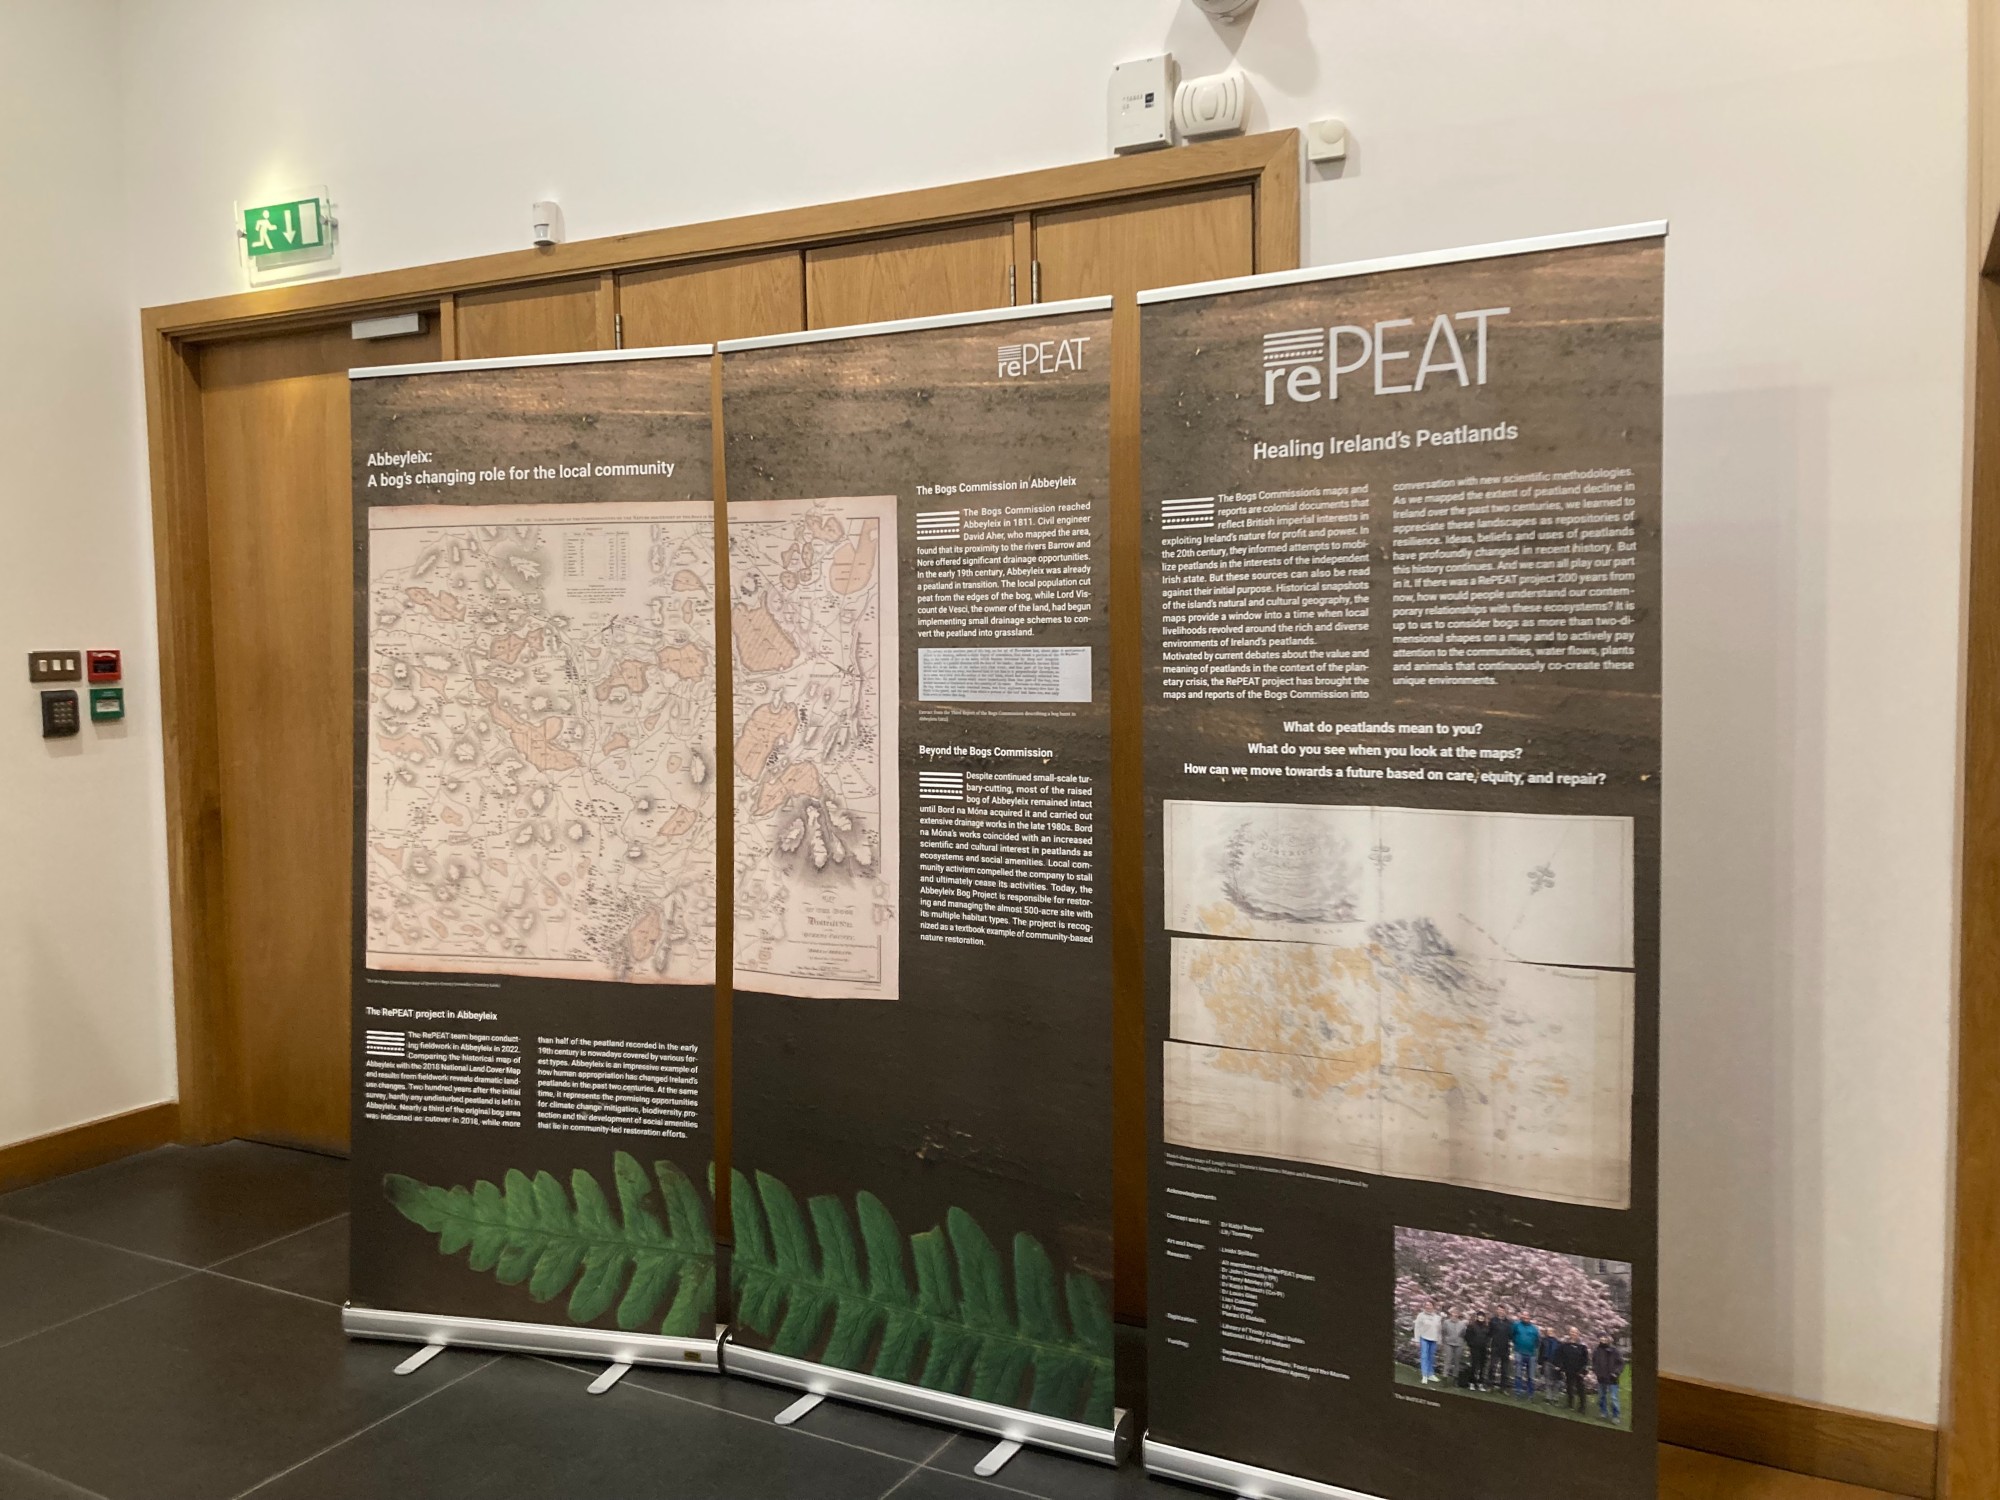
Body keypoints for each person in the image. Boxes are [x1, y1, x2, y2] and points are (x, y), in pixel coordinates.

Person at [1592, 1334, 1626, 1422]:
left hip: (1612, 1378)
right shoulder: (1597, 1351)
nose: (1603, 1339)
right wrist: (1596, 1371)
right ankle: (1603, 1413)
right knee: (1602, 1396)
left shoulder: (1614, 1351)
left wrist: (1616, 1373)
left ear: (1608, 1340)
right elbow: (1594, 1362)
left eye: (1605, 1338)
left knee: (1614, 1398)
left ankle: (1615, 1416)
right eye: (1601, 1338)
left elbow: (1621, 1363)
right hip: (1601, 1378)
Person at [1558, 1326, 1590, 1413]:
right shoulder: (1565, 1345)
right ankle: (1570, 1404)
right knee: (1569, 1387)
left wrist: (1583, 1370)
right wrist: (1562, 1367)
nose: (1573, 1333)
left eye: (1575, 1332)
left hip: (1579, 1371)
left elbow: (1586, 1360)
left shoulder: (1582, 1346)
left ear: (1578, 1334)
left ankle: (1582, 1407)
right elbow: (1561, 1357)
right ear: (1569, 1333)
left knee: (1580, 1389)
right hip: (1569, 1370)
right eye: (1572, 1332)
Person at [1512, 1313, 1541, 1398]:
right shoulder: (1516, 1325)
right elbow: (1512, 1335)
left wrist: (1533, 1348)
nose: (1526, 1317)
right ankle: (1518, 1392)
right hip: (1519, 1352)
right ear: (1522, 1317)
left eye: (1527, 1316)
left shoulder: (1534, 1329)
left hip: (1531, 1354)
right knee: (1518, 1373)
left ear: (1530, 1317)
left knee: (1531, 1375)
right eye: (1524, 1316)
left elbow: (1537, 1341)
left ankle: (1530, 1394)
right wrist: (1517, 1344)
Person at [1413, 1302, 1443, 1383]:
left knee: (1431, 1357)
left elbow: (1439, 1330)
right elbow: (1417, 1327)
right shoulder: (1421, 1315)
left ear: (1433, 1306)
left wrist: (1439, 1340)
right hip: (1424, 1338)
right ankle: (1424, 1375)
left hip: (1433, 1339)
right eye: (1426, 1305)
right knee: (1424, 1356)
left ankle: (1430, 1374)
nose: (1427, 1307)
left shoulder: (1437, 1317)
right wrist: (1416, 1340)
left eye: (1429, 1305)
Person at [1489, 1310, 1514, 1393]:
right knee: (1492, 1367)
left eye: (1503, 1311)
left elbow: (1511, 1335)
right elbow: (1490, 1333)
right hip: (1495, 1347)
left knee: (1505, 1370)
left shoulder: (1509, 1323)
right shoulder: (1493, 1321)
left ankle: (1503, 1388)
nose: (1501, 1313)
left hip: (1505, 1348)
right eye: (1500, 1311)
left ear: (1505, 1313)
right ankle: (1490, 1385)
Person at [1465, 1309, 1491, 1389]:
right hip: (1474, 1348)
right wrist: (1471, 1344)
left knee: (1482, 1366)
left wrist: (1487, 1344)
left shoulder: (1486, 1327)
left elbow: (1488, 1337)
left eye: (1482, 1316)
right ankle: (1472, 1382)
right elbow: (1467, 1336)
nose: (1481, 1318)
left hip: (1483, 1348)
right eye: (1479, 1316)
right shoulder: (1472, 1326)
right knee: (1474, 1365)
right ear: (1477, 1317)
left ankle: (1480, 1383)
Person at [1442, 1310, 1467, 1384]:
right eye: (1453, 1314)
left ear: (1458, 1315)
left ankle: (1455, 1378)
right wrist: (1445, 1340)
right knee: (1448, 1360)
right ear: (1451, 1314)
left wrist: (1462, 1343)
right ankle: (1445, 1377)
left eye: (1456, 1315)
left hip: (1458, 1344)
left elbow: (1464, 1334)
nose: (1454, 1316)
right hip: (1448, 1343)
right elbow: (1443, 1331)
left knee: (1457, 1361)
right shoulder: (1446, 1322)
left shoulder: (1462, 1324)